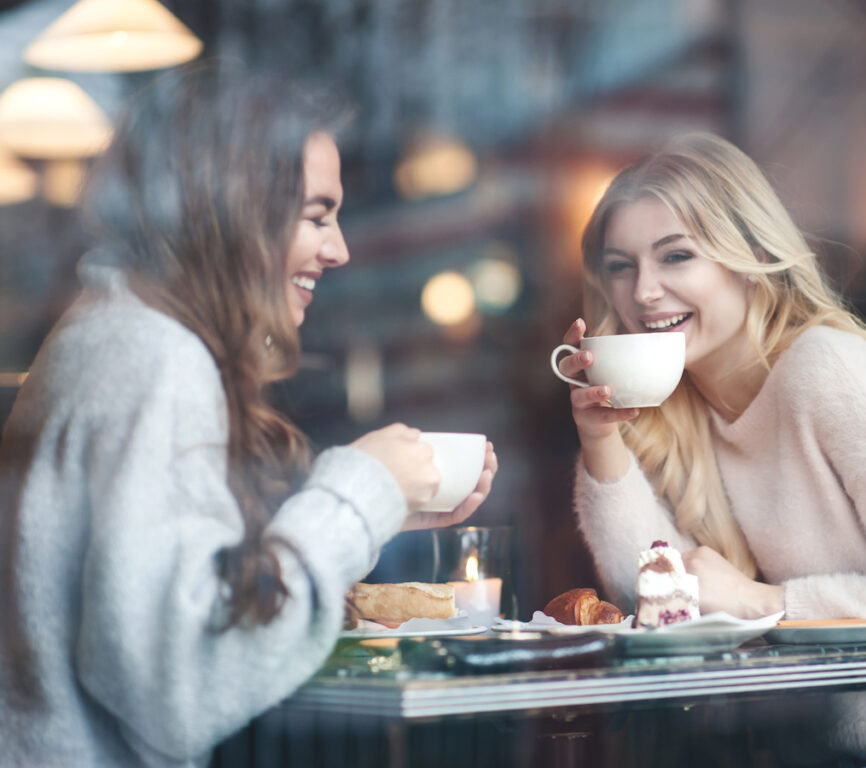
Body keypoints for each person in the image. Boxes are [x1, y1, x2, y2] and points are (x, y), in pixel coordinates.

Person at [0, 62, 497, 768]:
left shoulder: (110, 333)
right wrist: (356, 499)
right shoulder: (160, 360)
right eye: (316, 215)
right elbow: (186, 683)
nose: (340, 248)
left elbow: (153, 596)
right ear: (235, 210)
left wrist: (375, 516)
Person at [557, 132, 866, 766]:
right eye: (621, 265)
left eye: (676, 256)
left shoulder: (825, 370)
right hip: (828, 750)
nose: (643, 292)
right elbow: (663, 603)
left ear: (749, 257)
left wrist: (766, 604)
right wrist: (601, 437)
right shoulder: (678, 412)